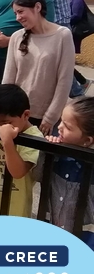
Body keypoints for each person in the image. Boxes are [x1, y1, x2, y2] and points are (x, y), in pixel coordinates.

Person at [2, 0, 74, 135]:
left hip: (46, 118)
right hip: (19, 115)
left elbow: (64, 81)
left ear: (37, 7)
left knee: (42, 157)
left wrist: (50, 117)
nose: (18, 17)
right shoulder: (16, 37)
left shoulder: (62, 35)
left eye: (21, 12)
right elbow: (8, 80)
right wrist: (6, 112)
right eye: (15, 13)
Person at [34, 97, 94, 250]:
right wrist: (46, 152)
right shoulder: (57, 156)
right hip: (51, 227)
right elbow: (37, 175)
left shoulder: (90, 167)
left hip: (84, 237)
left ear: (87, 140)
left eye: (67, 127)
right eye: (60, 121)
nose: (59, 127)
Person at [0, 84, 43, 217]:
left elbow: (18, 172)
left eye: (5, 122)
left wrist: (7, 142)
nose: (0, 127)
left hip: (16, 213)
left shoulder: (34, 137)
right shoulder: (0, 131)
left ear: (26, 115)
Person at [42, 0, 83, 98]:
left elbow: (44, 6)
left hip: (57, 26)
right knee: (61, 62)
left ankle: (78, 93)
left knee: (60, 63)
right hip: (64, 25)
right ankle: (78, 91)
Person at [65, 0, 93, 94]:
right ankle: (83, 81)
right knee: (66, 62)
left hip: (75, 33)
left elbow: (76, 15)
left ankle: (82, 83)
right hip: (72, 32)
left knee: (65, 62)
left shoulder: (77, 0)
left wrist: (64, 21)